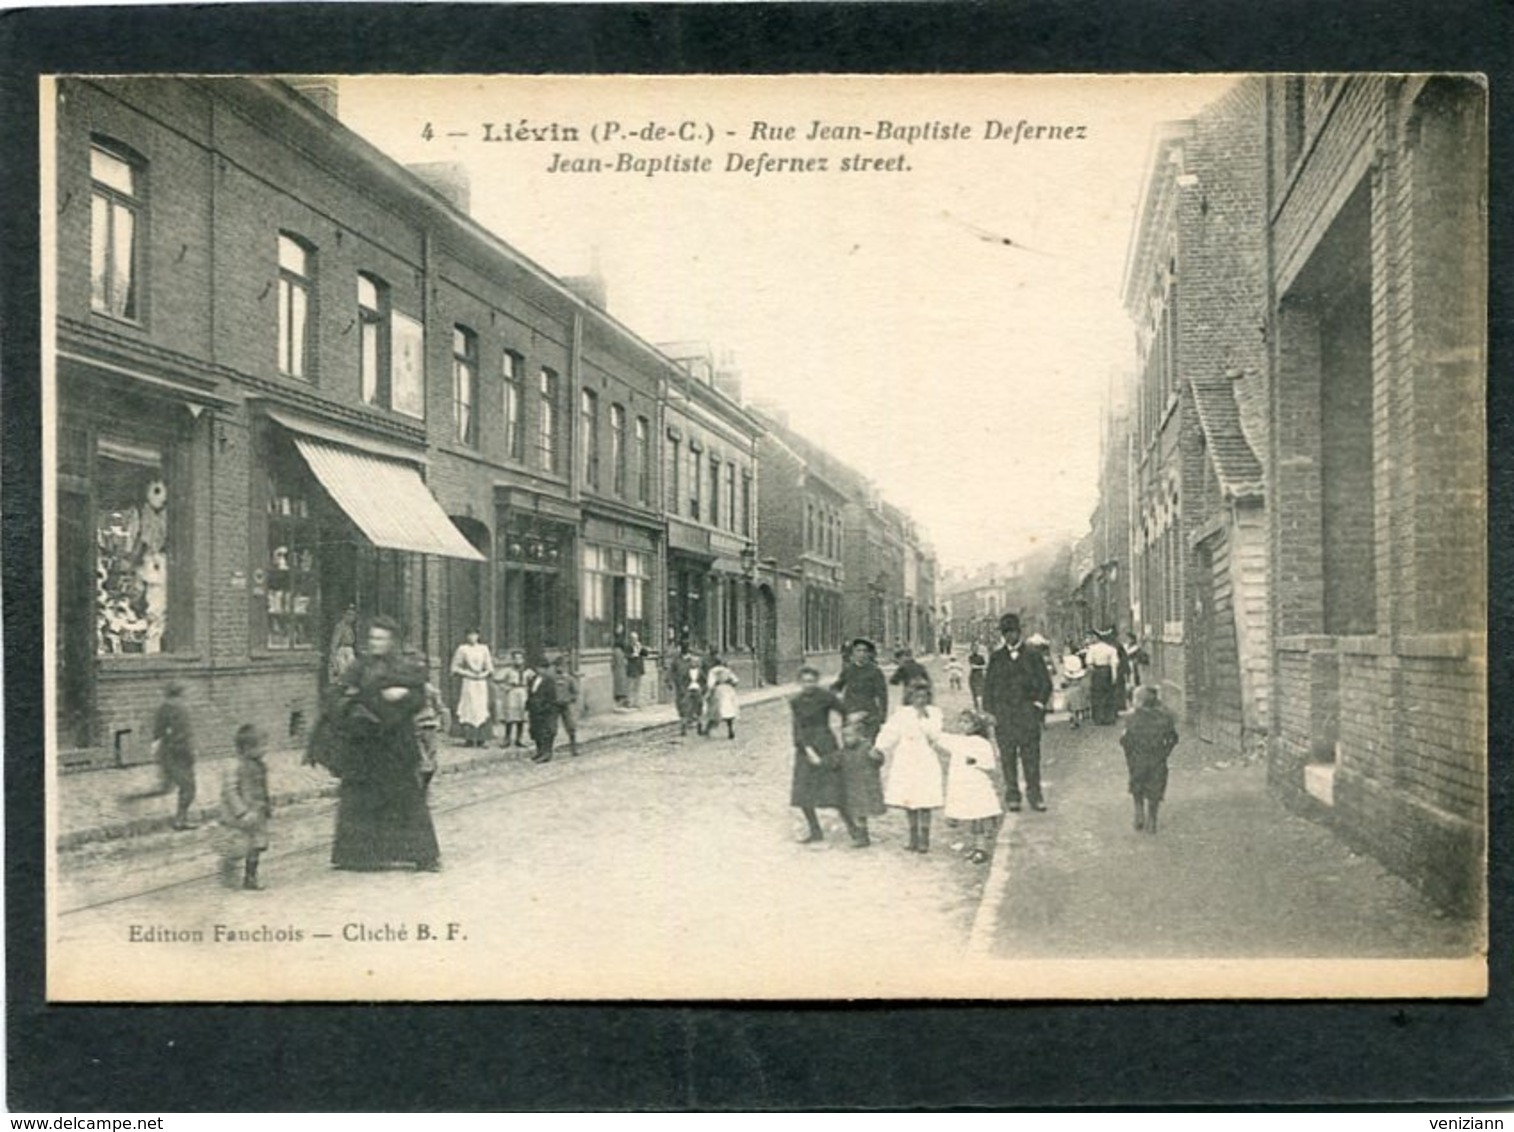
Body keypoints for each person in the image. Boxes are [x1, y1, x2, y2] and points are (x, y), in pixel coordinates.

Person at [326, 616, 441, 872]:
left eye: (381, 638)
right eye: (372, 638)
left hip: (396, 744)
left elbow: (420, 696)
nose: (375, 643)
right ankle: (357, 855)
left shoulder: (404, 666)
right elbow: (339, 695)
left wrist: (405, 694)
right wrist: (359, 701)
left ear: (392, 641)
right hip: (365, 745)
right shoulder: (359, 667)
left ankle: (423, 855)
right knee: (360, 799)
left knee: (407, 797)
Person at [982, 613, 1053, 813]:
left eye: (1011, 632)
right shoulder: (997, 657)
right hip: (1004, 718)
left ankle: (1035, 796)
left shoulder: (1033, 655)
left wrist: (1038, 705)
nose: (1008, 637)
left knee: (1031, 758)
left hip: (1027, 715)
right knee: (1008, 759)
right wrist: (990, 712)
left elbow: (1045, 683)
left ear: (1018, 632)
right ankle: (1012, 796)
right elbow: (988, 687)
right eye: (1005, 633)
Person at [874, 678, 946, 853]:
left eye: (923, 697)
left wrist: (924, 718)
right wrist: (879, 747)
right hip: (906, 758)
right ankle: (913, 836)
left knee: (925, 799)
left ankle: (924, 838)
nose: (920, 700)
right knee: (909, 798)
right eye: (916, 696)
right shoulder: (902, 714)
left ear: (928, 697)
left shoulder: (934, 713)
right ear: (910, 697)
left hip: (925, 758)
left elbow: (935, 735)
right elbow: (890, 732)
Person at [787, 666, 849, 844]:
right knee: (803, 792)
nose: (809, 685)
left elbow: (844, 711)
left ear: (817, 682)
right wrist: (807, 749)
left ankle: (855, 830)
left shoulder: (826, 697)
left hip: (826, 744)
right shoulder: (796, 701)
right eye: (805, 681)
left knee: (835, 789)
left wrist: (847, 733)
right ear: (800, 682)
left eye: (812, 681)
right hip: (805, 747)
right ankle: (815, 831)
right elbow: (797, 727)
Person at [939, 708, 1003, 864]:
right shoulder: (960, 741)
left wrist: (975, 761)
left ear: (976, 725)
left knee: (978, 817)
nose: (962, 725)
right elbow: (944, 740)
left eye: (967, 722)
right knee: (971, 815)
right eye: (961, 721)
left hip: (977, 784)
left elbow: (990, 764)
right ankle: (976, 847)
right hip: (964, 783)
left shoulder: (982, 743)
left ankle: (981, 849)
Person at [218, 723, 271, 890]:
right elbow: (230, 791)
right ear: (247, 748)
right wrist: (240, 812)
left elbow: (262, 787)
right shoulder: (234, 766)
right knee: (239, 846)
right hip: (241, 816)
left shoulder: (259, 765)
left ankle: (251, 878)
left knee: (257, 845)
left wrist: (266, 806)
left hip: (257, 813)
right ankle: (228, 867)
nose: (266, 750)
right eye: (262, 746)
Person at [1120, 686, 1180, 834]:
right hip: (1157, 759)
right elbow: (1173, 738)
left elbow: (1125, 740)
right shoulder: (1165, 718)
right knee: (1155, 788)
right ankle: (1152, 819)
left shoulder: (1131, 718)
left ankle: (1139, 812)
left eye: (1135, 699)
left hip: (1137, 759)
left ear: (1140, 702)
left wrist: (1129, 754)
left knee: (1137, 785)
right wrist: (1165, 752)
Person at [146, 681, 198, 830]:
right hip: (181, 752)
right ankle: (180, 820)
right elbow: (185, 734)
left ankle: (179, 818)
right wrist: (191, 753)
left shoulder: (163, 708)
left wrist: (158, 750)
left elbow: (157, 732)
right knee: (188, 787)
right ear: (180, 693)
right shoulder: (182, 708)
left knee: (170, 786)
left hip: (167, 752)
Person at [837, 710, 887, 847]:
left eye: (849, 736)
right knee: (852, 812)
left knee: (860, 813)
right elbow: (838, 762)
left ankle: (862, 838)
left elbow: (879, 761)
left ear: (860, 735)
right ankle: (859, 835)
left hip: (863, 786)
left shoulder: (867, 748)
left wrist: (876, 757)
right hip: (850, 785)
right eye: (844, 736)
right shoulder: (844, 750)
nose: (846, 739)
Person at [833, 637, 889, 747]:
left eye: (865, 651)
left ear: (869, 654)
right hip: (850, 713)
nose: (861, 654)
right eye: (858, 650)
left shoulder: (875, 672)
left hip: (869, 714)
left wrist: (882, 716)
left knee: (867, 747)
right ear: (853, 652)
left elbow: (882, 696)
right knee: (850, 747)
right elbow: (837, 687)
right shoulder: (848, 670)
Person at [449, 628, 493, 747]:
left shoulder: (484, 648)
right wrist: (468, 673)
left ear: (478, 636)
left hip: (481, 682)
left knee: (481, 707)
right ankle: (469, 738)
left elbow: (489, 667)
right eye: (469, 635)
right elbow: (454, 667)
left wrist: (483, 674)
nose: (472, 637)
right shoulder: (463, 649)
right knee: (469, 707)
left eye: (474, 635)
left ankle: (481, 738)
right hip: (469, 682)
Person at [413, 661, 446, 795]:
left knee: (431, 761)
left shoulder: (431, 690)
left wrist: (438, 721)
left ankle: (425, 786)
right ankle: (419, 790)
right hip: (414, 728)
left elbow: (440, 708)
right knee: (419, 759)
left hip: (429, 727)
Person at [492, 649, 531, 749]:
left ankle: (519, 739)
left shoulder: (528, 671)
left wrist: (530, 690)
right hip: (512, 693)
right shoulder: (508, 671)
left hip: (523, 692)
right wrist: (505, 687)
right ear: (512, 660)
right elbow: (496, 679)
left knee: (522, 717)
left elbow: (534, 681)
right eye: (515, 658)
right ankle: (507, 739)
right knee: (510, 717)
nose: (518, 661)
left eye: (520, 658)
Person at [525, 663, 560, 763]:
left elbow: (552, 697)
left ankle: (547, 753)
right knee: (536, 731)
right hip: (535, 709)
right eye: (538, 668)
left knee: (547, 732)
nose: (540, 670)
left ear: (546, 669)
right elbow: (531, 693)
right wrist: (528, 705)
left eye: (543, 668)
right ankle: (539, 751)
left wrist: (545, 708)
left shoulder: (549, 681)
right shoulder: (533, 679)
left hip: (546, 710)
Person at [1086, 630, 1122, 725]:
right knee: (1109, 694)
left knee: (1097, 695)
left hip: (1097, 672)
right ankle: (1109, 718)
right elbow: (1114, 664)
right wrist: (1114, 677)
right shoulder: (1111, 649)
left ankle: (1098, 718)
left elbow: (1089, 663)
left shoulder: (1092, 648)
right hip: (1108, 672)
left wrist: (1093, 674)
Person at [551, 655, 581, 757]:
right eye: (557, 666)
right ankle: (549, 750)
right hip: (554, 705)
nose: (559, 668)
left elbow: (576, 692)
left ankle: (574, 748)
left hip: (566, 706)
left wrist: (571, 699)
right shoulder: (552, 679)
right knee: (551, 728)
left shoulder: (569, 679)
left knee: (571, 726)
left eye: (562, 666)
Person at [705, 655, 740, 739]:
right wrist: (730, 683)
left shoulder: (713, 671)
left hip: (719, 690)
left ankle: (708, 728)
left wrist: (710, 690)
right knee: (729, 710)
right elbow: (736, 681)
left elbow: (710, 684)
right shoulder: (726, 670)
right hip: (728, 690)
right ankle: (730, 728)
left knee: (715, 710)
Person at [677, 646, 706, 737]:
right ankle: (683, 729)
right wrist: (683, 690)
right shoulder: (686, 671)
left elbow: (705, 681)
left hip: (697, 691)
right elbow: (681, 681)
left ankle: (699, 728)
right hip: (688, 691)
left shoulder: (700, 672)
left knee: (698, 710)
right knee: (686, 709)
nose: (693, 663)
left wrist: (703, 689)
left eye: (695, 662)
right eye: (692, 662)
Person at [328, 605, 358, 682]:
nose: (352, 617)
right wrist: (333, 657)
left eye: (353, 615)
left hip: (350, 650)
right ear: (344, 615)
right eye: (349, 615)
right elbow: (335, 641)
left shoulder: (350, 627)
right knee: (343, 671)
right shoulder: (340, 626)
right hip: (343, 650)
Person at [1061, 645, 1089, 728]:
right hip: (1077, 689)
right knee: (1076, 707)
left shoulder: (1067, 676)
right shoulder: (1079, 676)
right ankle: (1076, 718)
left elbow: (1064, 683)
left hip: (1070, 690)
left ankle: (1072, 719)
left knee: (1071, 706)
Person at [625, 631, 648, 709]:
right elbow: (626, 656)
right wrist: (632, 655)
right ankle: (630, 702)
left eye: (636, 639)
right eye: (633, 639)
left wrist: (641, 647)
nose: (635, 640)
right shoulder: (628, 646)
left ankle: (636, 702)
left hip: (639, 669)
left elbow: (646, 653)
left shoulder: (639, 646)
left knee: (637, 686)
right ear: (631, 639)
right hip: (631, 669)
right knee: (630, 686)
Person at [611, 628, 630, 709]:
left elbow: (613, 663)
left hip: (618, 671)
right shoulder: (621, 652)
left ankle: (620, 700)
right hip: (621, 671)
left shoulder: (615, 651)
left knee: (619, 685)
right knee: (621, 685)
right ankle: (621, 700)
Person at [967, 644, 988, 711]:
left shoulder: (981, 657)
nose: (974, 650)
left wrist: (978, 667)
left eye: (976, 648)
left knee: (980, 691)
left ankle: (981, 707)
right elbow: (973, 666)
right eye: (973, 649)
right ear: (971, 650)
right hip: (973, 676)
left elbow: (985, 666)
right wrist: (980, 667)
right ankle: (976, 707)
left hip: (980, 676)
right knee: (974, 692)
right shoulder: (970, 657)